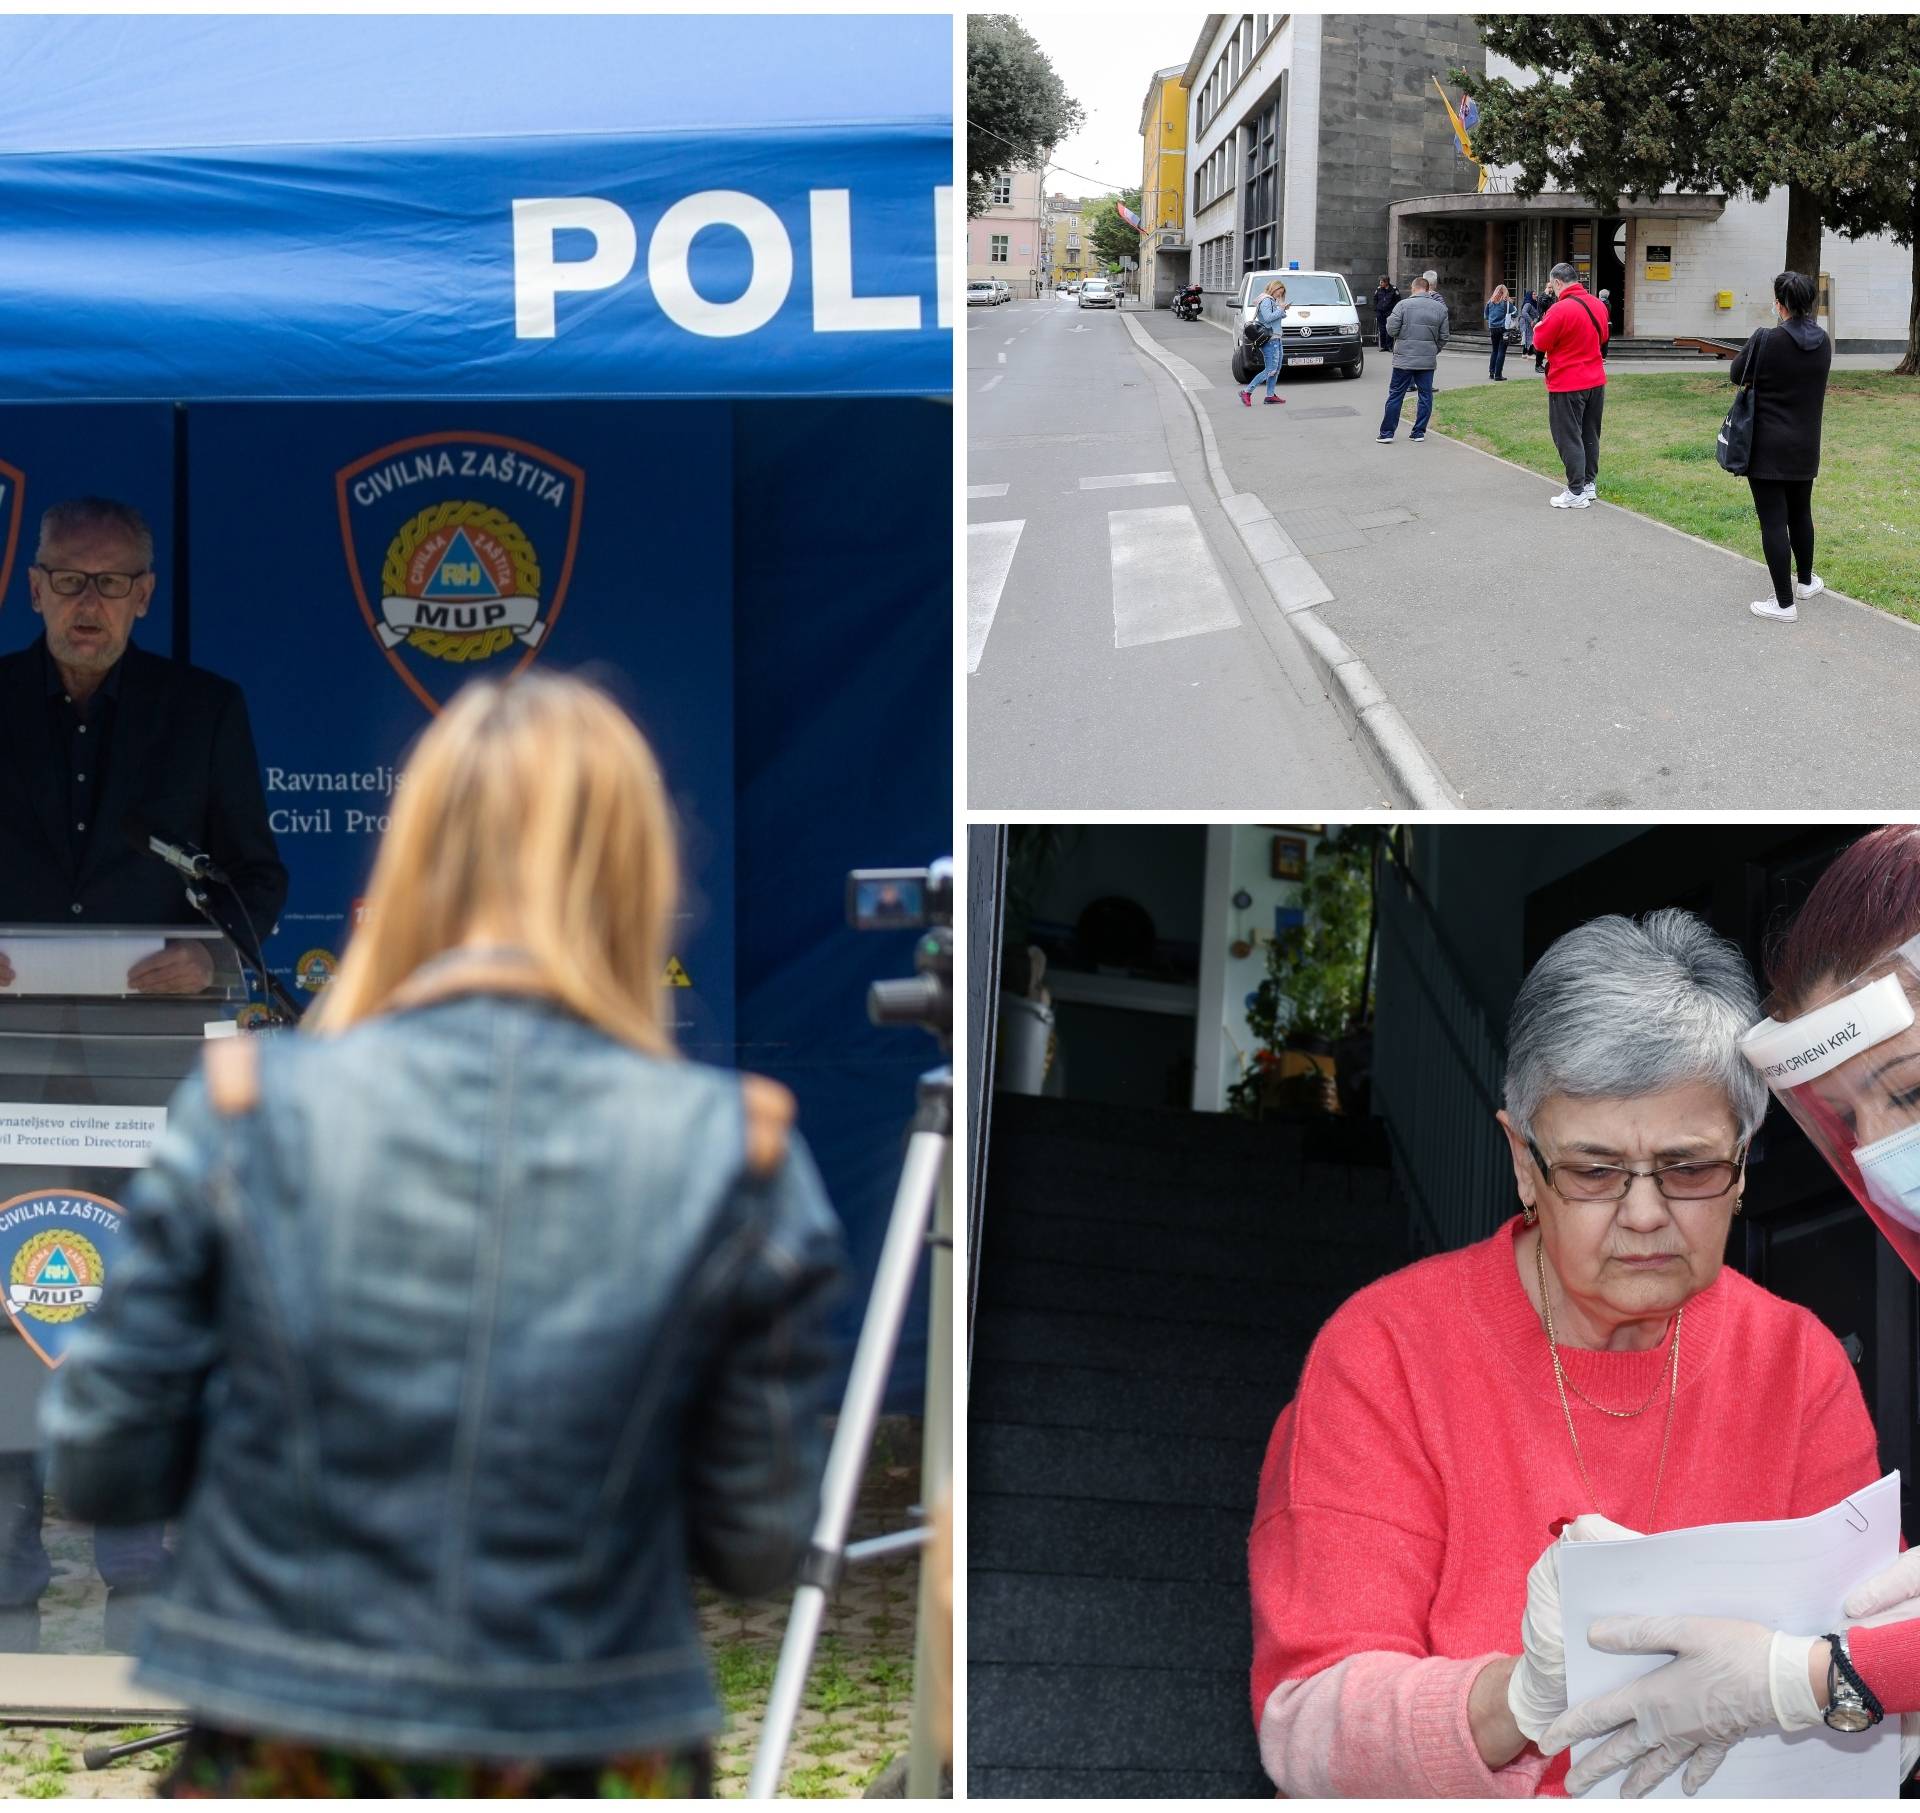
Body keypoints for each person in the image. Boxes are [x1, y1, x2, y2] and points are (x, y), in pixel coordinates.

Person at [41, 672, 847, 1797]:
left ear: (411, 859)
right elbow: (759, 1543)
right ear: (638, 875)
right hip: (592, 1741)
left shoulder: (239, 1114)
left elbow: (99, 1458)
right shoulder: (740, 1153)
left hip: (287, 1736)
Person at [1248, 909, 1881, 1797]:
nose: (1646, 1213)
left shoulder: (1798, 1365)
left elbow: (1852, 1688)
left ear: (1743, 1161)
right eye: (1592, 1171)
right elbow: (1308, 1725)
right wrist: (1521, 1695)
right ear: (1521, 1159)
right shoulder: (1386, 1351)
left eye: (1690, 1167)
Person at [1538, 826, 1920, 1797]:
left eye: (1908, 1093)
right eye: (1850, 1117)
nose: (1878, 1151)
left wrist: (1806, 1681)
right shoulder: (1388, 1344)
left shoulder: (1791, 1356)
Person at [0, 497, 286, 992]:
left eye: (111, 583)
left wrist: (209, 957)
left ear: (144, 595)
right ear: (35, 589)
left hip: (151, 1031)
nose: (88, 603)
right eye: (69, 579)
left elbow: (255, 875)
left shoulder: (205, 710)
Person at [1733, 270, 1833, 624]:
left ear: (1778, 305)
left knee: (1773, 522)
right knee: (1800, 512)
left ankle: (1784, 603)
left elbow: (1736, 374)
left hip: (1767, 445)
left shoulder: (1766, 339)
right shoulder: (1824, 341)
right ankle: (1805, 582)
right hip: (1806, 444)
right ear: (1811, 304)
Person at [1531, 261, 1610, 509]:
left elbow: (1540, 342)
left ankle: (1575, 491)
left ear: (1557, 282)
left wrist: (1538, 325)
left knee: (1567, 436)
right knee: (1589, 434)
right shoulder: (1598, 304)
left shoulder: (1560, 309)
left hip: (1567, 381)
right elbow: (1603, 337)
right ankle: (1588, 485)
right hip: (1595, 379)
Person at [1376, 276, 1448, 444]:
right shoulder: (1440, 309)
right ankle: (1418, 432)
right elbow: (1444, 336)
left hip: (1404, 359)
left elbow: (1391, 329)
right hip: (1427, 360)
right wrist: (1433, 350)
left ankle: (1387, 433)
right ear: (1428, 289)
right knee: (1425, 395)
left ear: (1413, 288)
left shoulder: (1402, 305)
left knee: (1396, 395)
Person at [1238, 278, 1288, 408]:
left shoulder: (1271, 300)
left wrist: (1282, 309)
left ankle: (1270, 396)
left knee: (1276, 369)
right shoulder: (1266, 300)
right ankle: (1246, 392)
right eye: (1279, 292)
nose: (1280, 295)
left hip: (1276, 338)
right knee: (1270, 369)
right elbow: (1268, 318)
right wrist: (1280, 309)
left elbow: (1275, 317)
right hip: (1270, 340)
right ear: (1274, 289)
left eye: (1282, 294)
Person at [1484, 283, 1516, 380]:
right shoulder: (1507, 303)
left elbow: (1486, 316)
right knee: (1501, 351)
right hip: (1503, 328)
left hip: (1493, 328)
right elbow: (1515, 314)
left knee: (1494, 350)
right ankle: (1498, 375)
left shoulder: (1489, 302)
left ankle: (1491, 372)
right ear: (1505, 292)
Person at [1372, 274, 1400, 352]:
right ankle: (1383, 346)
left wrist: (1394, 311)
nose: (1380, 284)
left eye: (1382, 282)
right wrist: (1376, 309)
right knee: (1382, 329)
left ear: (1386, 282)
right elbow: (1375, 299)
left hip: (1389, 313)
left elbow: (1398, 301)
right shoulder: (1378, 289)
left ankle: (1390, 346)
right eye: (1380, 282)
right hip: (1380, 313)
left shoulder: (1394, 289)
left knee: (1389, 329)